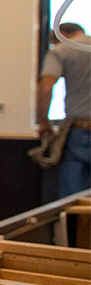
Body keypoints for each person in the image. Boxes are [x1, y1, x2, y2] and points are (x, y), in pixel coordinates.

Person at [35, 22, 91, 196]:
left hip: (79, 130)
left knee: (72, 199)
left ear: (62, 36)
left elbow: (46, 87)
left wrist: (44, 122)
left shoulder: (62, 51)